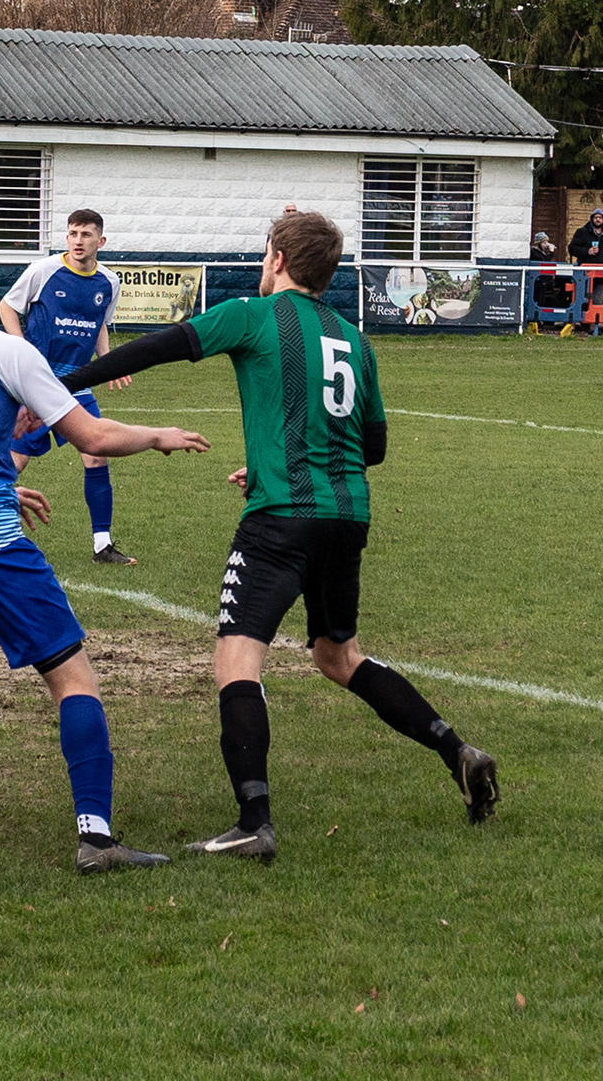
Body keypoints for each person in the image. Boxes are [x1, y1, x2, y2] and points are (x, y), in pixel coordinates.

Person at [59, 210, 500, 861]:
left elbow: (157, 348)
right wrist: (274, 461)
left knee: (237, 661)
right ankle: (456, 750)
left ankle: (254, 821)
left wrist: (57, 387)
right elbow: (371, 446)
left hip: (281, 519)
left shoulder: (250, 315)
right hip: (346, 518)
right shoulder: (354, 338)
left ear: (276, 260)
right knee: (337, 657)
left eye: (265, 250)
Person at [0, 225, 209, 873]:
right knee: (72, 676)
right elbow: (90, 432)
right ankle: (95, 836)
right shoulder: (7, 351)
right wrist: (155, 435)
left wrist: (4, 483)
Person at [0, 208, 137, 565]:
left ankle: (102, 546)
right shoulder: (44, 270)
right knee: (14, 460)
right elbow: (6, 306)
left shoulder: (108, 282)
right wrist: (20, 351)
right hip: (37, 384)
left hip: (78, 384)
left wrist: (108, 363)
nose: (78, 240)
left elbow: (99, 325)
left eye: (86, 234)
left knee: (96, 454)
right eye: (73, 233)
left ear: (100, 241)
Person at [571, 210, 603, 337]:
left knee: (597, 298)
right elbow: (572, 248)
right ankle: (574, 322)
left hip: (600, 274)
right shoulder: (582, 232)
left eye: (600, 218)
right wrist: (587, 251)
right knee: (579, 296)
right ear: (591, 219)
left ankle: (593, 324)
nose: (598, 220)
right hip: (584, 272)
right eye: (596, 217)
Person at [529, 232, 562, 335]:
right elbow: (544, 262)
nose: (546, 244)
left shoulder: (542, 253)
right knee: (538, 300)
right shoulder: (534, 252)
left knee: (544, 300)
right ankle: (536, 320)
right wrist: (551, 253)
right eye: (544, 242)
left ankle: (542, 321)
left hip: (545, 282)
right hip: (539, 282)